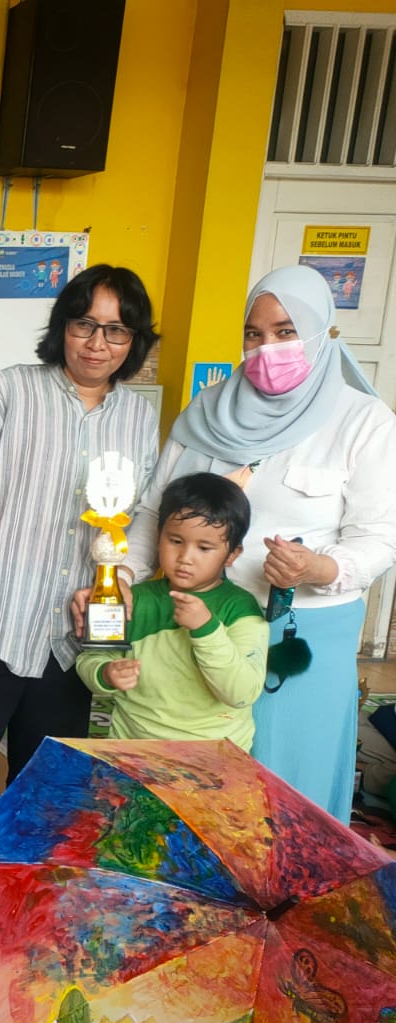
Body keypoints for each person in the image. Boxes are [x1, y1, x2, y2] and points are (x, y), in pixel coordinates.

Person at [117, 265, 396, 820]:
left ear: (322, 333)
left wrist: (318, 567)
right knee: (206, 790)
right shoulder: (207, 411)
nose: (267, 347)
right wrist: (122, 578)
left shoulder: (362, 421)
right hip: (197, 623)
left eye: (286, 331)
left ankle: (295, 901)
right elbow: (154, 510)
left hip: (300, 633)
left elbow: (380, 538)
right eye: (254, 333)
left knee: (293, 786)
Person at [0, 264, 161, 835]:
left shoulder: (139, 415)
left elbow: (143, 511)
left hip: (70, 626)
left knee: (43, 780)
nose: (97, 343)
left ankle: (12, 888)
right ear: (63, 326)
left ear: (133, 343)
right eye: (85, 325)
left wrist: (123, 575)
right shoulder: (8, 389)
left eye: (116, 331)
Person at [76, 473, 266, 747]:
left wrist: (206, 630)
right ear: (158, 536)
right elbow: (92, 656)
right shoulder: (132, 599)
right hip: (132, 753)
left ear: (233, 554)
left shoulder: (241, 609)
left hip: (213, 760)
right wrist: (105, 673)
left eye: (204, 547)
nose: (185, 558)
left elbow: (240, 693)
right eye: (176, 541)